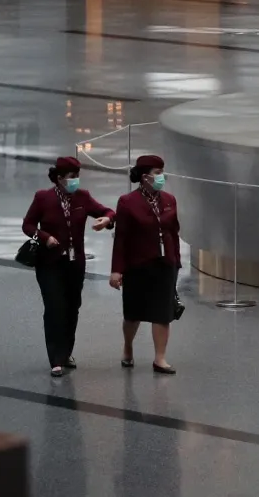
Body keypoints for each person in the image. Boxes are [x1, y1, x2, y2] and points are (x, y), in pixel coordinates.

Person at [22, 155, 115, 377]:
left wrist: (107, 220)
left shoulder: (82, 197)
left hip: (75, 264)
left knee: (72, 307)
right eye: (72, 177)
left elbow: (108, 212)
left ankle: (66, 352)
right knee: (55, 308)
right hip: (49, 263)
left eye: (78, 177)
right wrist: (45, 237)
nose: (76, 181)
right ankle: (55, 358)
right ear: (60, 178)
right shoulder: (43, 198)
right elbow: (28, 224)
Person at [111, 154, 183, 374]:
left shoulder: (169, 199)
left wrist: (176, 261)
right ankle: (128, 346)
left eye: (162, 172)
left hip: (165, 264)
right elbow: (121, 237)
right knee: (133, 314)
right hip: (138, 264)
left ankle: (159, 358)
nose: (162, 177)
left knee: (162, 313)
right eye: (158, 173)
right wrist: (116, 270)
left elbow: (174, 232)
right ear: (145, 177)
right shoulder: (127, 202)